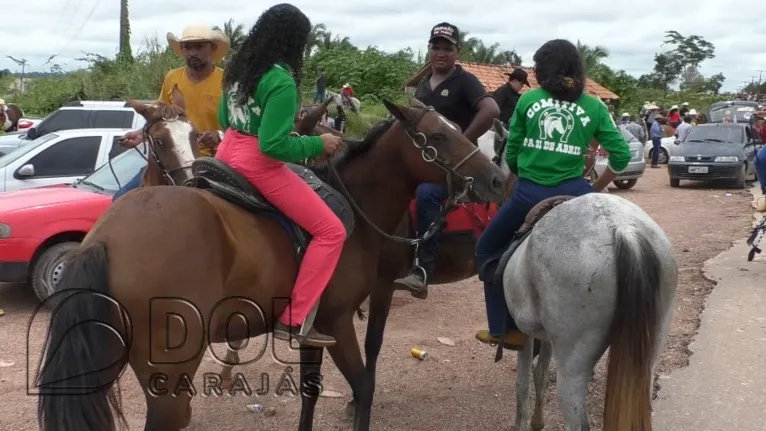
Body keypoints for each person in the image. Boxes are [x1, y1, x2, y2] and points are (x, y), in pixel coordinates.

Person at [473, 38, 631, 350]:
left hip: (529, 194)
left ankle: (503, 329)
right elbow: (621, 156)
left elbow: (514, 152)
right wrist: (594, 190)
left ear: (546, 69)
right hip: (575, 191)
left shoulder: (529, 100)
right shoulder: (595, 106)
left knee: (486, 250)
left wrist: (522, 172)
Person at [215, 3, 345, 347]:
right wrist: (319, 143)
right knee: (332, 231)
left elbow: (223, 120)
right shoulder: (281, 81)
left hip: (225, 152)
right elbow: (273, 146)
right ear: (294, 42)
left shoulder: (238, 71)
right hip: (257, 163)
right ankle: (293, 320)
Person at [393, 21, 500, 299]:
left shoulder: (464, 81)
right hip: (425, 165)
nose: (441, 53)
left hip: (457, 170)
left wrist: (461, 142)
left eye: (447, 49)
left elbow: (491, 109)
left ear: (457, 52)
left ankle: (423, 271)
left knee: (427, 195)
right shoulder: (423, 86)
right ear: (429, 49)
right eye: (436, 47)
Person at [114, 25, 230, 201]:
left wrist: (218, 135)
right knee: (121, 199)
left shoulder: (227, 81)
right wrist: (141, 135)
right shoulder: (172, 77)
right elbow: (160, 118)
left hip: (213, 160)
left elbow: (240, 124)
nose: (192, 53)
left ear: (212, 49)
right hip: (171, 161)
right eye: (188, 48)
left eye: (198, 47)